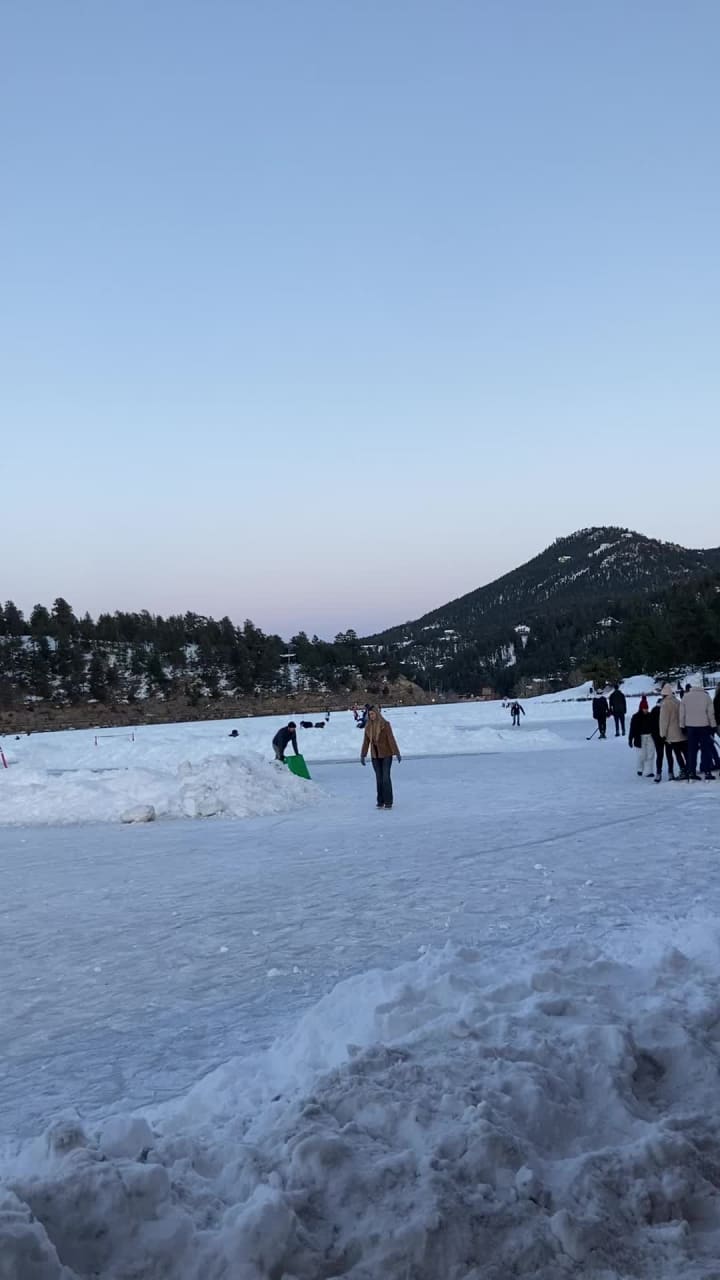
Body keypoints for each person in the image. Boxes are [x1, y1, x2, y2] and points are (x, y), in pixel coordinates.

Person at [360, 707, 401, 809]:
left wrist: (397, 752)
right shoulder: (368, 726)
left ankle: (388, 801)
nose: (371, 716)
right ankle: (380, 801)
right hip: (375, 756)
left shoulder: (385, 724)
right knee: (379, 778)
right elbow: (366, 742)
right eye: (370, 714)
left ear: (377, 714)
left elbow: (391, 739)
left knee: (385, 778)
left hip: (386, 754)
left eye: (373, 714)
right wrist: (363, 755)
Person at [679, 682, 716, 780]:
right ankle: (707, 771)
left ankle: (692, 772)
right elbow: (711, 713)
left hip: (690, 728)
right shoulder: (706, 697)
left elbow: (682, 714)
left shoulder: (685, 697)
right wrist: (713, 726)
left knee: (692, 751)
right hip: (704, 727)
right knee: (705, 750)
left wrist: (682, 726)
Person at [658, 684, 687, 780]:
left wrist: (662, 734)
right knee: (685, 752)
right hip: (682, 731)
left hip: (672, 734)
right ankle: (690, 768)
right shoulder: (678, 701)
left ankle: (683, 770)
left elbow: (664, 721)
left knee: (677, 753)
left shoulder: (665, 704)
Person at [628, 696, 655, 777]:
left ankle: (649, 771)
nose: (646, 710)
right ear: (641, 708)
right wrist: (630, 739)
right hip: (640, 738)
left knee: (650, 754)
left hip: (650, 737)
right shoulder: (636, 717)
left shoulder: (650, 716)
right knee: (642, 755)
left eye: (647, 708)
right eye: (644, 708)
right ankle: (640, 769)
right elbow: (632, 729)